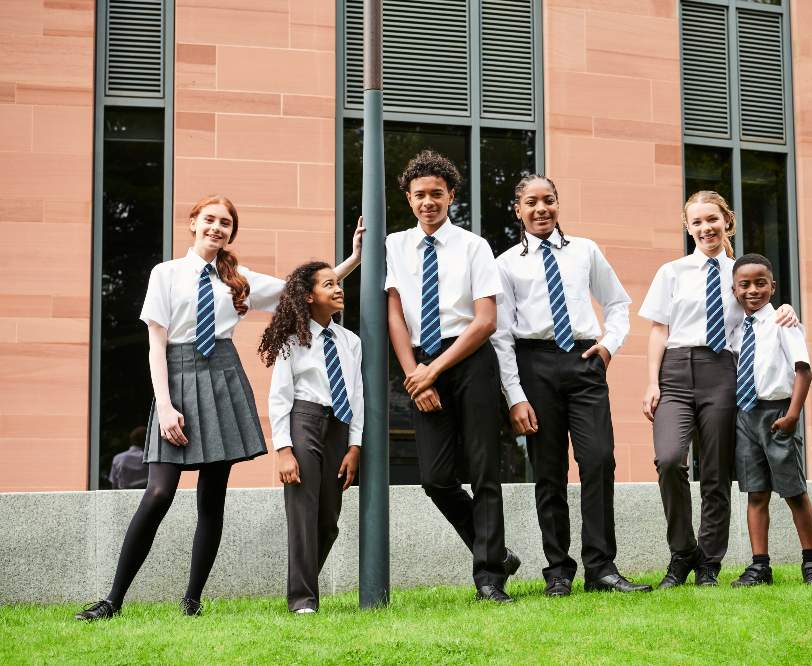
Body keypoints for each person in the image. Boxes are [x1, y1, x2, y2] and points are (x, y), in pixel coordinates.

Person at [75, 198, 364, 621]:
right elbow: (156, 344)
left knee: (213, 500)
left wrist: (353, 259)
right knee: (158, 493)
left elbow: (306, 289)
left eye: (225, 223)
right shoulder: (166, 273)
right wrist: (166, 406)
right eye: (209, 220)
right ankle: (113, 599)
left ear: (231, 231)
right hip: (177, 377)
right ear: (193, 223)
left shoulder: (239, 279)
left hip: (224, 379)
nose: (216, 227)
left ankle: (192, 601)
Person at [492, 175, 651, 596]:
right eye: (531, 202)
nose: (541, 208)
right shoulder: (506, 264)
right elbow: (502, 335)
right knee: (549, 471)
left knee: (599, 460)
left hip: (584, 361)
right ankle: (558, 571)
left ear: (558, 204)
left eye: (549, 200)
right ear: (518, 210)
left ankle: (602, 568)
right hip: (535, 364)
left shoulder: (586, 251)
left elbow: (618, 303)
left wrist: (608, 346)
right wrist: (516, 396)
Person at [638, 191, 798, 589]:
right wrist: (651, 381)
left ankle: (708, 563)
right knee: (670, 459)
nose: (705, 228)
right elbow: (658, 330)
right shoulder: (671, 272)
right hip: (675, 371)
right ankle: (682, 552)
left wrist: (786, 310)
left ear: (727, 221)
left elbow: (761, 305)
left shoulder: (739, 273)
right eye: (697, 222)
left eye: (712, 219)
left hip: (723, 373)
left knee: (715, 472)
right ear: (687, 227)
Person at [386, 150, 519, 603]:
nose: (428, 202)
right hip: (420, 360)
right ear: (408, 198)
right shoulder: (394, 246)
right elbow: (394, 317)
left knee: (484, 470)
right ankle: (497, 553)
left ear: (451, 197)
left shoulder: (473, 246)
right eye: (420, 194)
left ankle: (488, 577)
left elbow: (485, 321)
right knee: (436, 478)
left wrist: (433, 372)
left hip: (469, 358)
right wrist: (414, 374)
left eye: (437, 194)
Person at [260, 262, 363, 612]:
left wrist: (355, 445)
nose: (338, 289)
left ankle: (303, 582)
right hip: (303, 421)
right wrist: (284, 450)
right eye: (329, 284)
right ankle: (303, 600)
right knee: (303, 515)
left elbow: (358, 395)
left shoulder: (351, 342)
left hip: (339, 426)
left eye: (339, 283)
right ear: (308, 296)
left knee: (328, 521)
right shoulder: (292, 342)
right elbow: (279, 397)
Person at [727, 253, 812, 587]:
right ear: (734, 289)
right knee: (756, 493)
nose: (753, 290)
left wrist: (793, 414)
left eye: (760, 283)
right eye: (745, 284)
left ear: (773, 286)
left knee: (794, 491)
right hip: (746, 415)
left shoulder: (784, 323)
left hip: (778, 414)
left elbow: (804, 370)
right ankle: (760, 566)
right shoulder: (737, 327)